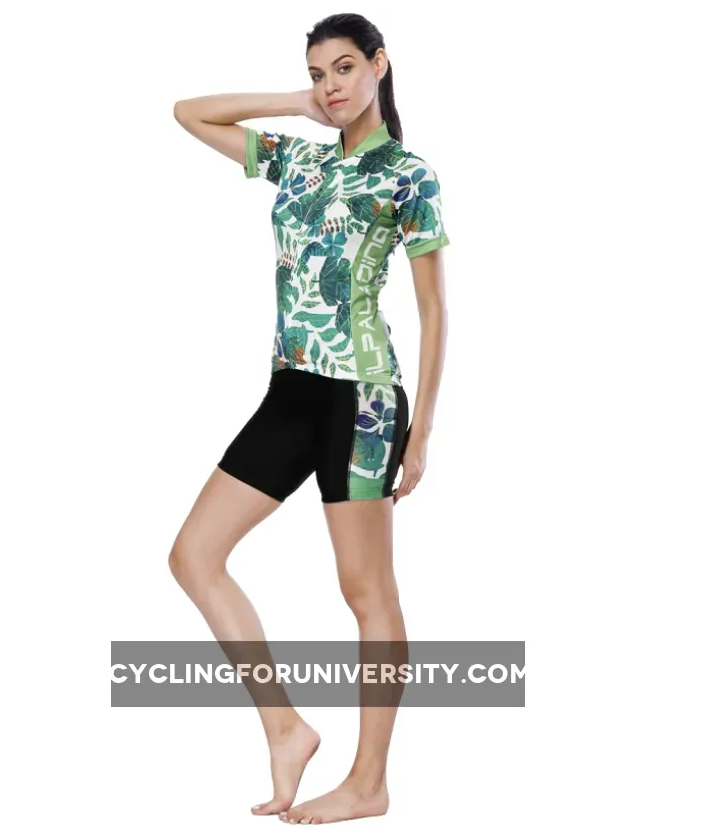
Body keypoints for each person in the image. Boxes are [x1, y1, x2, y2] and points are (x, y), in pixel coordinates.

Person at [170, 12, 449, 825]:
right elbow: (188, 112)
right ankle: (285, 727)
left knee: (365, 590)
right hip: (290, 388)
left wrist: (421, 433)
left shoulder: (408, 174)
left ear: (379, 65)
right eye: (318, 73)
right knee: (193, 556)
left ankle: (368, 781)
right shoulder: (296, 160)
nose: (330, 85)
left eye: (343, 68)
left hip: (362, 399)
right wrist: (295, 104)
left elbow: (435, 310)